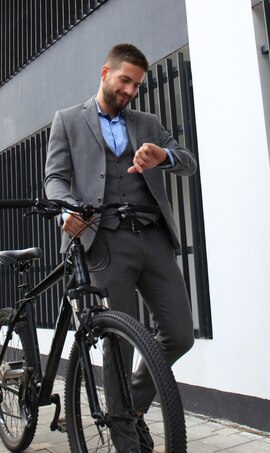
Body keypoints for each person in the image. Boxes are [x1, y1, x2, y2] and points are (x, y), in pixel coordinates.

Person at [44, 43, 196, 452]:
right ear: (105, 72)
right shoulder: (68, 121)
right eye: (124, 80)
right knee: (115, 343)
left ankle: (130, 407)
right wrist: (65, 210)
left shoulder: (147, 122)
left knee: (180, 334)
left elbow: (186, 160)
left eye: (136, 84)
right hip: (103, 240)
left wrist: (162, 155)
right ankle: (125, 441)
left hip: (152, 236)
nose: (130, 90)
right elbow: (55, 179)